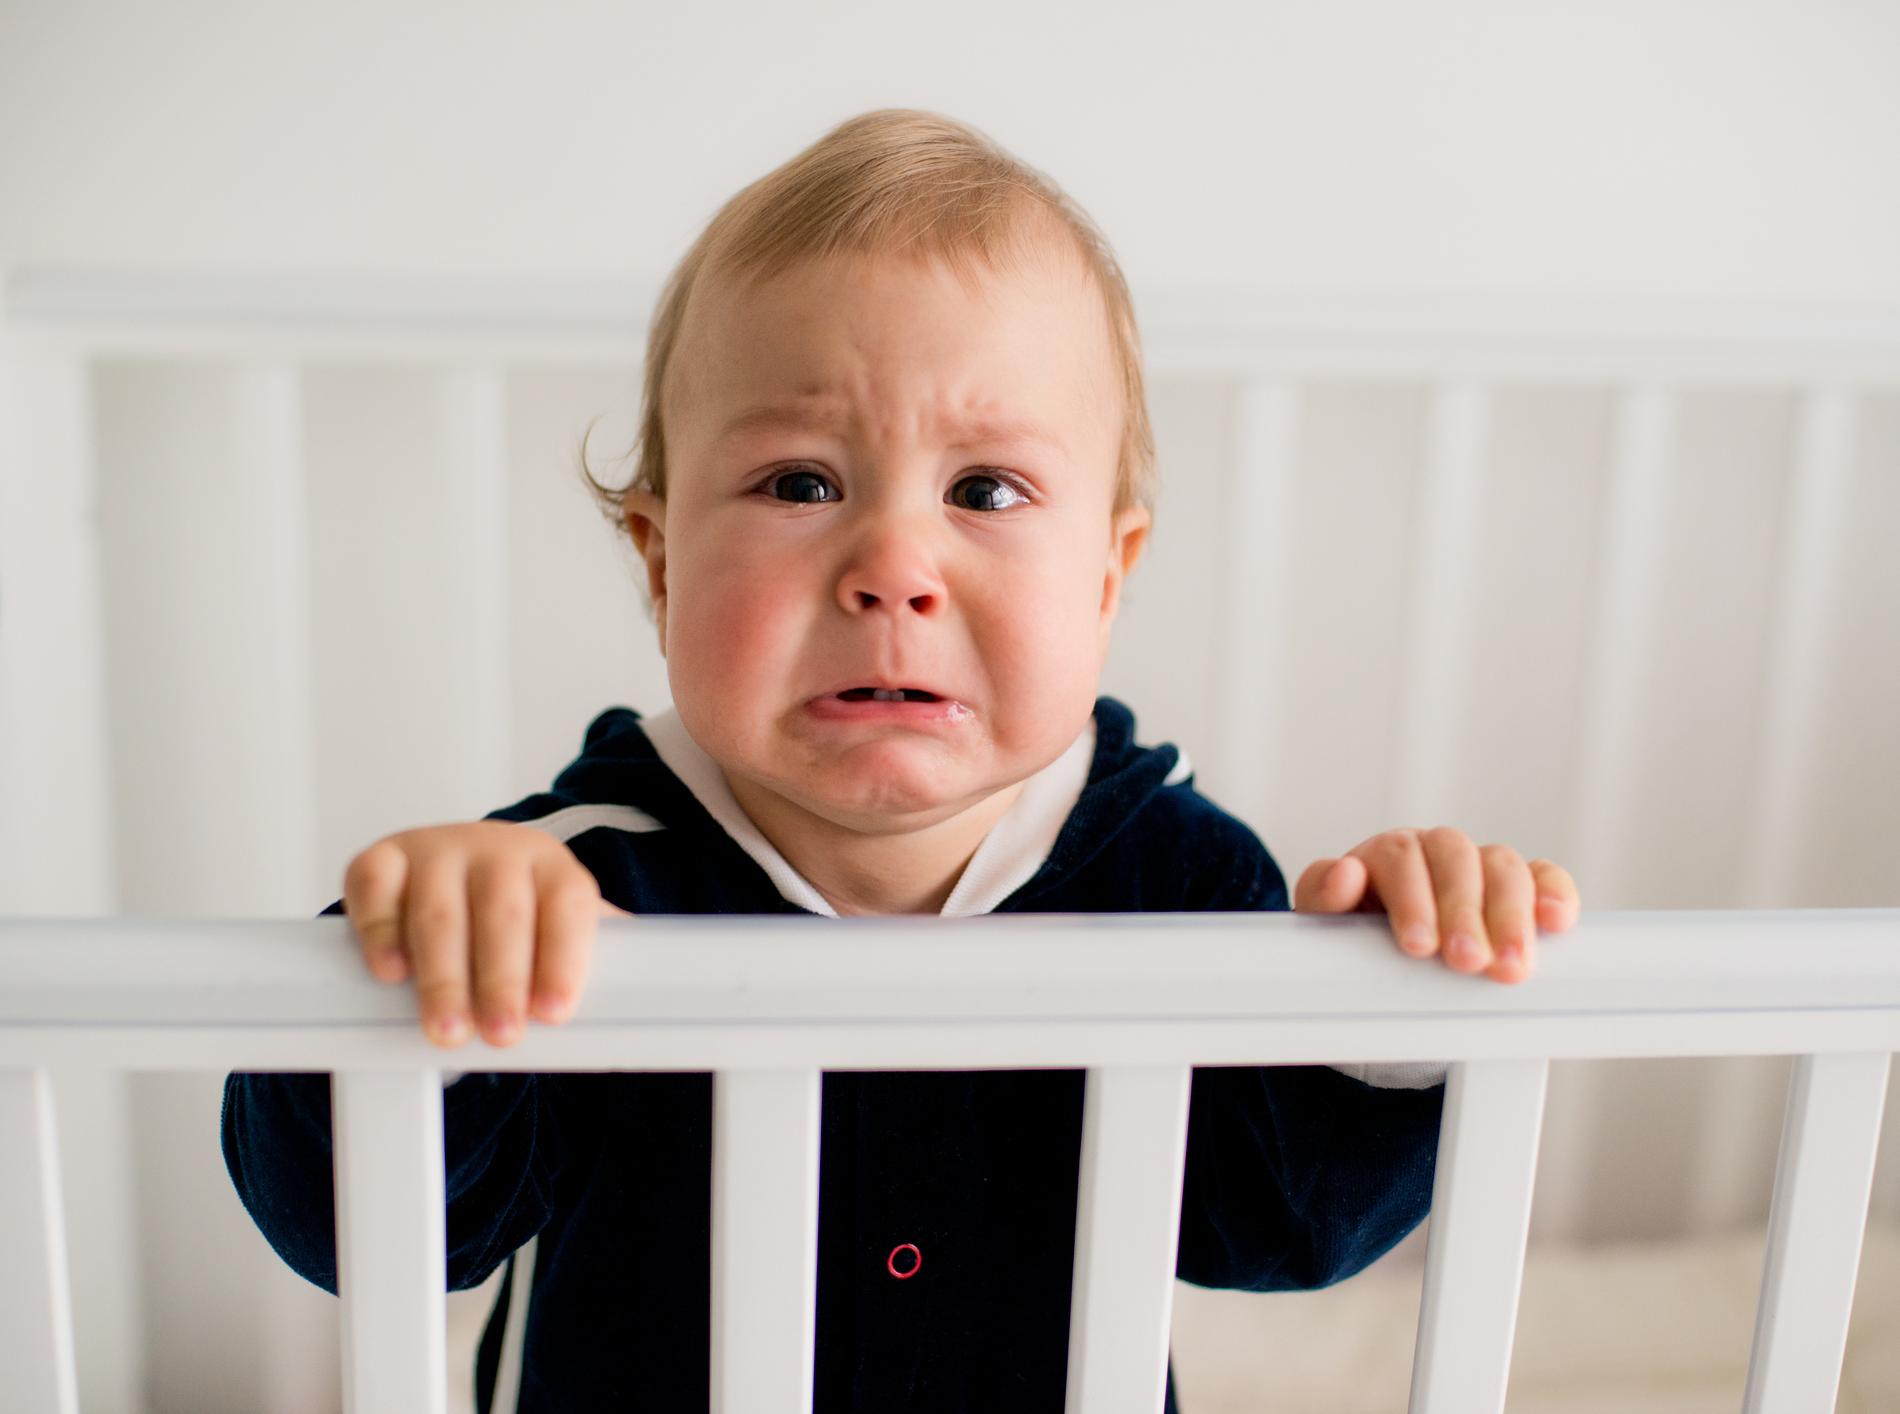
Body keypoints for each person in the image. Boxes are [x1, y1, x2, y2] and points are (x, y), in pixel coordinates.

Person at [222, 108, 1581, 1413]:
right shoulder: (573, 884)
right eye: (802, 482)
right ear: (658, 557)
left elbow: (1283, 1217)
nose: (891, 569)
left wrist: (1396, 1011)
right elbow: (364, 1227)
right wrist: (416, 960)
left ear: (1108, 578)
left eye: (986, 490)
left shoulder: (1163, 877)